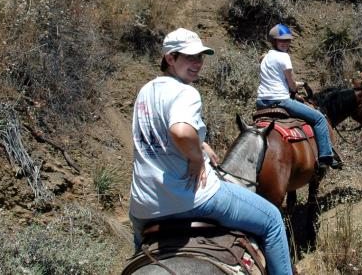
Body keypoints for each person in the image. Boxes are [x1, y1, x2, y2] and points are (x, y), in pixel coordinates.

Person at [129, 28, 293, 275]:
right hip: (189, 199)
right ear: (170, 58)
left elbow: (160, 131)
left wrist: (201, 143)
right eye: (189, 57)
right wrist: (196, 158)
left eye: (201, 57)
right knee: (271, 220)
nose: (197, 63)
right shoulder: (186, 92)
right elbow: (181, 131)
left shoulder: (146, 90)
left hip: (143, 205)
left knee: (139, 255)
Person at [256, 24, 340, 169]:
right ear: (274, 41)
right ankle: (326, 157)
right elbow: (292, 86)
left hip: (262, 102)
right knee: (319, 118)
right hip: (281, 101)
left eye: (287, 41)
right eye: (282, 41)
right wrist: (299, 85)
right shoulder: (284, 57)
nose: (285, 43)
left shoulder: (265, 57)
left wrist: (297, 84)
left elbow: (279, 80)